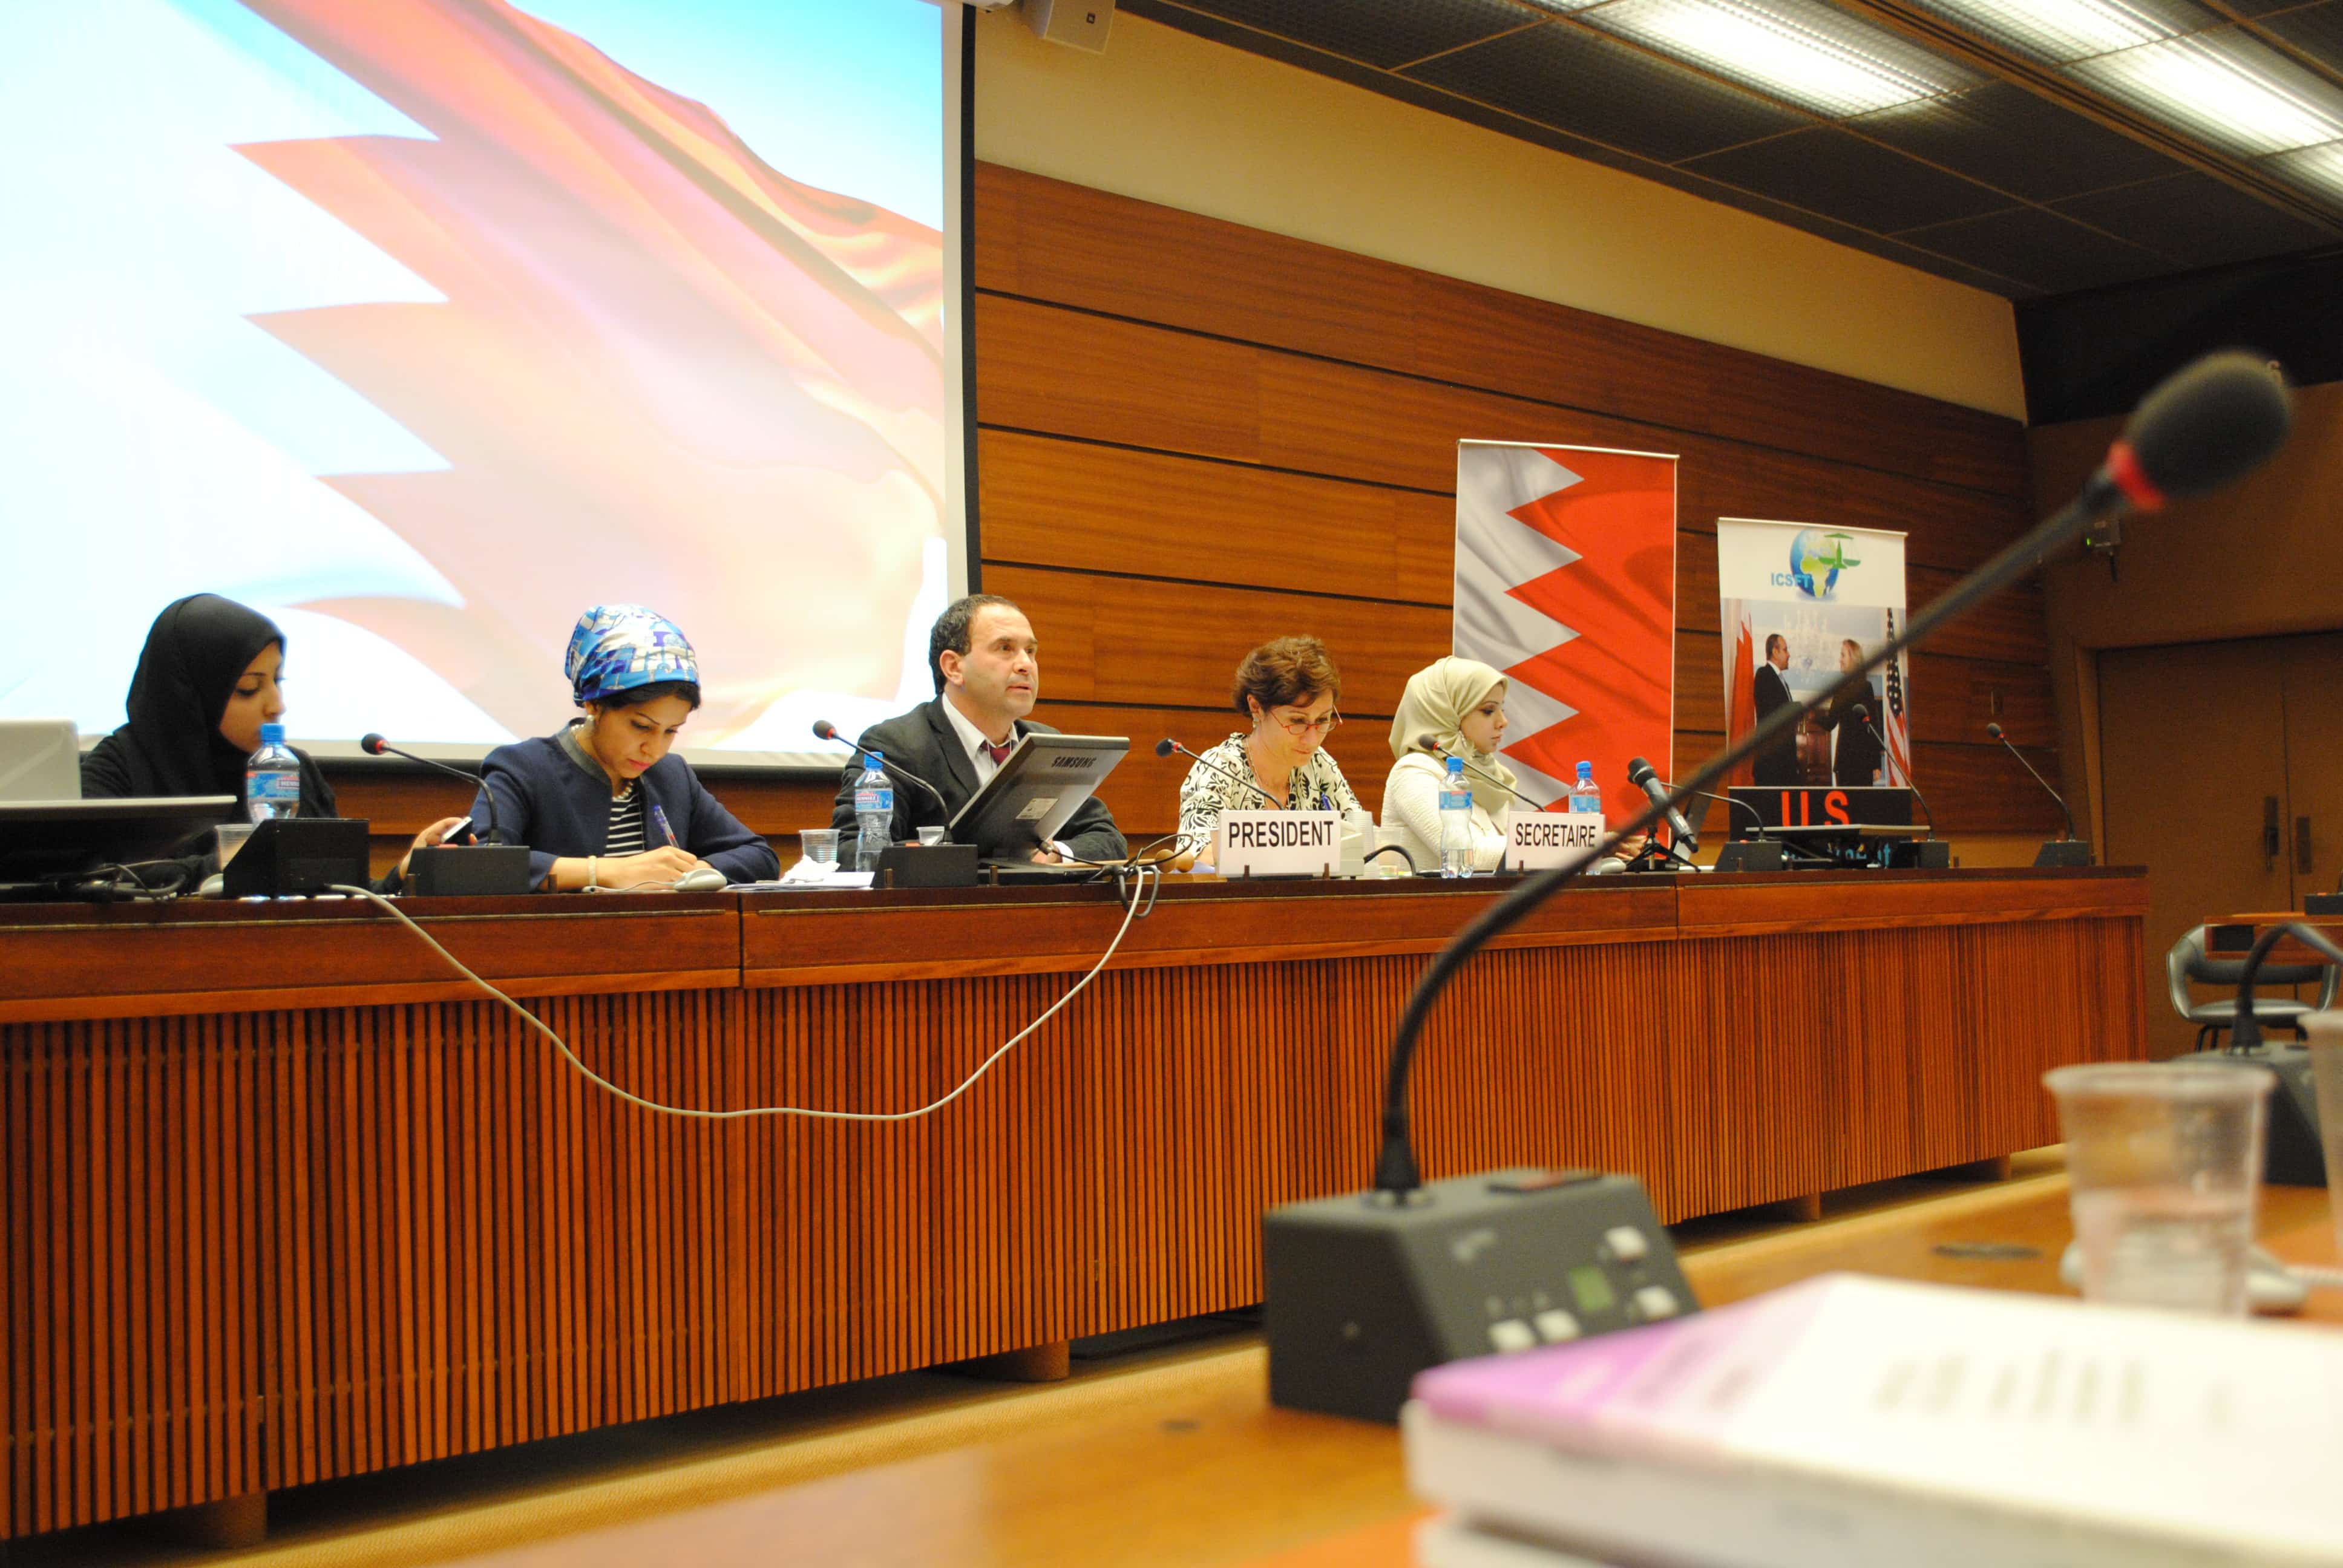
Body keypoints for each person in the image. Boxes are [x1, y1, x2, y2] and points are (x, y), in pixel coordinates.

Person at [84, 593, 467, 883]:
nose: (277, 706)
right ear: (191, 695)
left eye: (277, 682)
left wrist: (404, 871)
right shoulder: (119, 768)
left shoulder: (291, 769)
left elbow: (337, 895)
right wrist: (229, 859)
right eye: (250, 689)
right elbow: (86, 883)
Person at [473, 605, 778, 890]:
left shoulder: (672, 775)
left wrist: (690, 872)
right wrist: (607, 871)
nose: (654, 750)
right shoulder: (523, 768)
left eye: (671, 731)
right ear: (594, 705)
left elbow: (759, 856)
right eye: (641, 727)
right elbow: (480, 865)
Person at [829, 594, 1126, 863]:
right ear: (954, 668)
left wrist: (1058, 855)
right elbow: (850, 850)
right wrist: (974, 858)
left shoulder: (1044, 743)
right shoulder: (895, 746)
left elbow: (1108, 840)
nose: (1026, 664)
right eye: (1006, 649)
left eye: (1031, 651)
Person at [1178, 636, 1361, 857]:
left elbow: (1362, 841)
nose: (1312, 741)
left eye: (1322, 721)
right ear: (1256, 707)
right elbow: (1194, 854)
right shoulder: (1218, 768)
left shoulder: (1319, 764)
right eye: (1297, 721)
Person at [1381, 657, 1514, 874]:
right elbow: (1470, 856)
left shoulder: (1490, 776)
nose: (1503, 722)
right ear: (1448, 714)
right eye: (1489, 711)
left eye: (1502, 710)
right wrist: (1555, 848)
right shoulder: (1412, 773)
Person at [1823, 638, 1885, 786]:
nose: (1840, 660)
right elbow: (1831, 722)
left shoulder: (1865, 687)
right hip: (1844, 763)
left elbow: (1873, 726)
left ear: (1853, 658)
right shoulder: (1840, 689)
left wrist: (1876, 764)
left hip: (1862, 764)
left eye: (1843, 655)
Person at [1751, 632, 1799, 786]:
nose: (1789, 655)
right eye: (1785, 650)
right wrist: (1798, 708)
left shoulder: (1781, 680)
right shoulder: (1764, 675)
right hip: (1771, 763)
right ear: (1775, 652)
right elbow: (1773, 711)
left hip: (1784, 763)